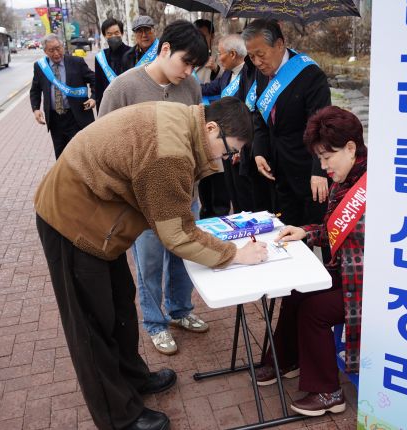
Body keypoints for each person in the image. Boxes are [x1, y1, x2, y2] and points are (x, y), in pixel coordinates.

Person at [35, 97, 268, 430]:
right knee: (91, 325)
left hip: (99, 218)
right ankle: (118, 417)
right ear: (212, 128)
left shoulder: (186, 123)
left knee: (119, 308)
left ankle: (133, 378)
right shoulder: (170, 153)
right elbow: (177, 234)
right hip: (72, 222)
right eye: (229, 150)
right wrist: (234, 254)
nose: (227, 159)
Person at [99, 20, 211, 356]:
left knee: (184, 255)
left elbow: (196, 133)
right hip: (143, 201)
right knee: (149, 262)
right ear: (164, 50)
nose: (188, 71)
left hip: (184, 193)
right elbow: (102, 143)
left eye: (195, 66)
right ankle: (154, 323)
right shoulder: (123, 89)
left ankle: (180, 310)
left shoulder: (190, 86)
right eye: (185, 62)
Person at [254, 106, 366, 416]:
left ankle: (329, 392)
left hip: (368, 286)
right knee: (296, 292)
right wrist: (305, 231)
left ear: (351, 148)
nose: (324, 166)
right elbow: (334, 230)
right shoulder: (348, 178)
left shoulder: (375, 185)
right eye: (320, 159)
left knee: (315, 311)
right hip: (346, 274)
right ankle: (287, 360)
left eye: (327, 158)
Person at [242, 19, 331, 229]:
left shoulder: (310, 75)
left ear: (280, 44)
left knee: (316, 231)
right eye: (251, 56)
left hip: (307, 169)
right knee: (287, 231)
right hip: (278, 171)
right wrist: (259, 151)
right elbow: (260, 117)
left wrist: (319, 171)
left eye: (260, 54)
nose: (256, 62)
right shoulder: (261, 73)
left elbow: (322, 126)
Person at [200, 33, 253, 213]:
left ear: (232, 54)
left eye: (220, 53)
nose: (218, 57)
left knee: (246, 196)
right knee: (233, 193)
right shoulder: (226, 75)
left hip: (243, 145)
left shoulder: (251, 74)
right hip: (227, 145)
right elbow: (209, 88)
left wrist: (242, 148)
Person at [30, 33, 96, 159]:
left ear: (63, 46)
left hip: (76, 116)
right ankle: (65, 179)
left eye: (58, 48)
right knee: (61, 157)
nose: (56, 53)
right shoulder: (40, 67)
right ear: (45, 51)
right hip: (55, 120)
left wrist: (93, 97)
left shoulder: (76, 62)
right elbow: (35, 89)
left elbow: (94, 80)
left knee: (82, 154)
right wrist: (36, 109)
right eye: (51, 50)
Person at [94, 18, 131, 112]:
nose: (113, 36)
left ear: (122, 33)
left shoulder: (132, 53)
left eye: (116, 33)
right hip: (109, 105)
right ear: (104, 36)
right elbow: (99, 87)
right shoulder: (100, 57)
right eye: (109, 34)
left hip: (129, 103)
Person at [193, 19, 220, 83]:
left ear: (212, 36)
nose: (198, 39)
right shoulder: (185, 55)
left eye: (203, 36)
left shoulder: (220, 57)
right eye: (196, 36)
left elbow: (226, 81)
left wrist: (216, 69)